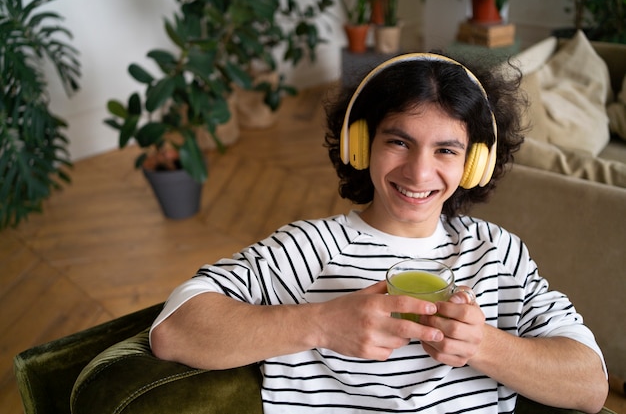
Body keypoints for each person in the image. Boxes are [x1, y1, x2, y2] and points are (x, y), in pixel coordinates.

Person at [150, 52, 608, 413]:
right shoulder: (309, 248)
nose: (419, 171)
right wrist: (322, 324)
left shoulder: (498, 253)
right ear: (362, 144)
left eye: (446, 149)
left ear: (474, 164)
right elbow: (174, 331)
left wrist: (483, 345)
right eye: (398, 141)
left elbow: (590, 385)